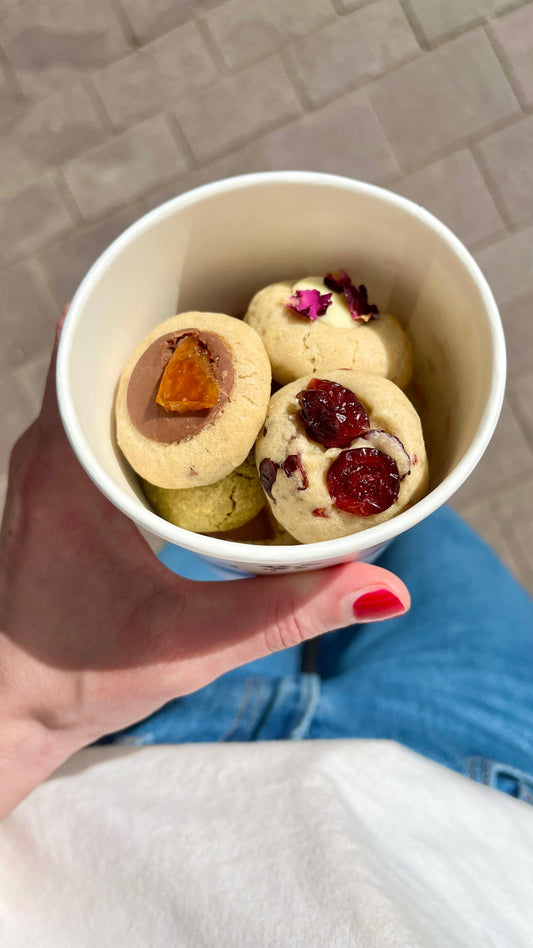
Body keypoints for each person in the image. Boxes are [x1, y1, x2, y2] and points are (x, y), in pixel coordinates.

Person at [1, 317, 533, 946]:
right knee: (429, 536)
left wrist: (23, 715)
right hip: (480, 770)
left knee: (400, 525)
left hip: (156, 745)